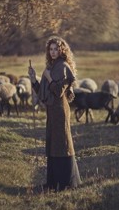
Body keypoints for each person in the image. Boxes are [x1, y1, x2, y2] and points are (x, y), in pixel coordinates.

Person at [28, 36, 81, 192]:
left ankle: (66, 182)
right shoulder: (51, 66)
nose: (53, 52)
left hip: (60, 110)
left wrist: (48, 77)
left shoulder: (63, 66)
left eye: (56, 49)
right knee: (53, 143)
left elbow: (58, 91)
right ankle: (53, 182)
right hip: (52, 110)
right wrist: (33, 79)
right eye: (50, 49)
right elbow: (43, 93)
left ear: (61, 50)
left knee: (62, 143)